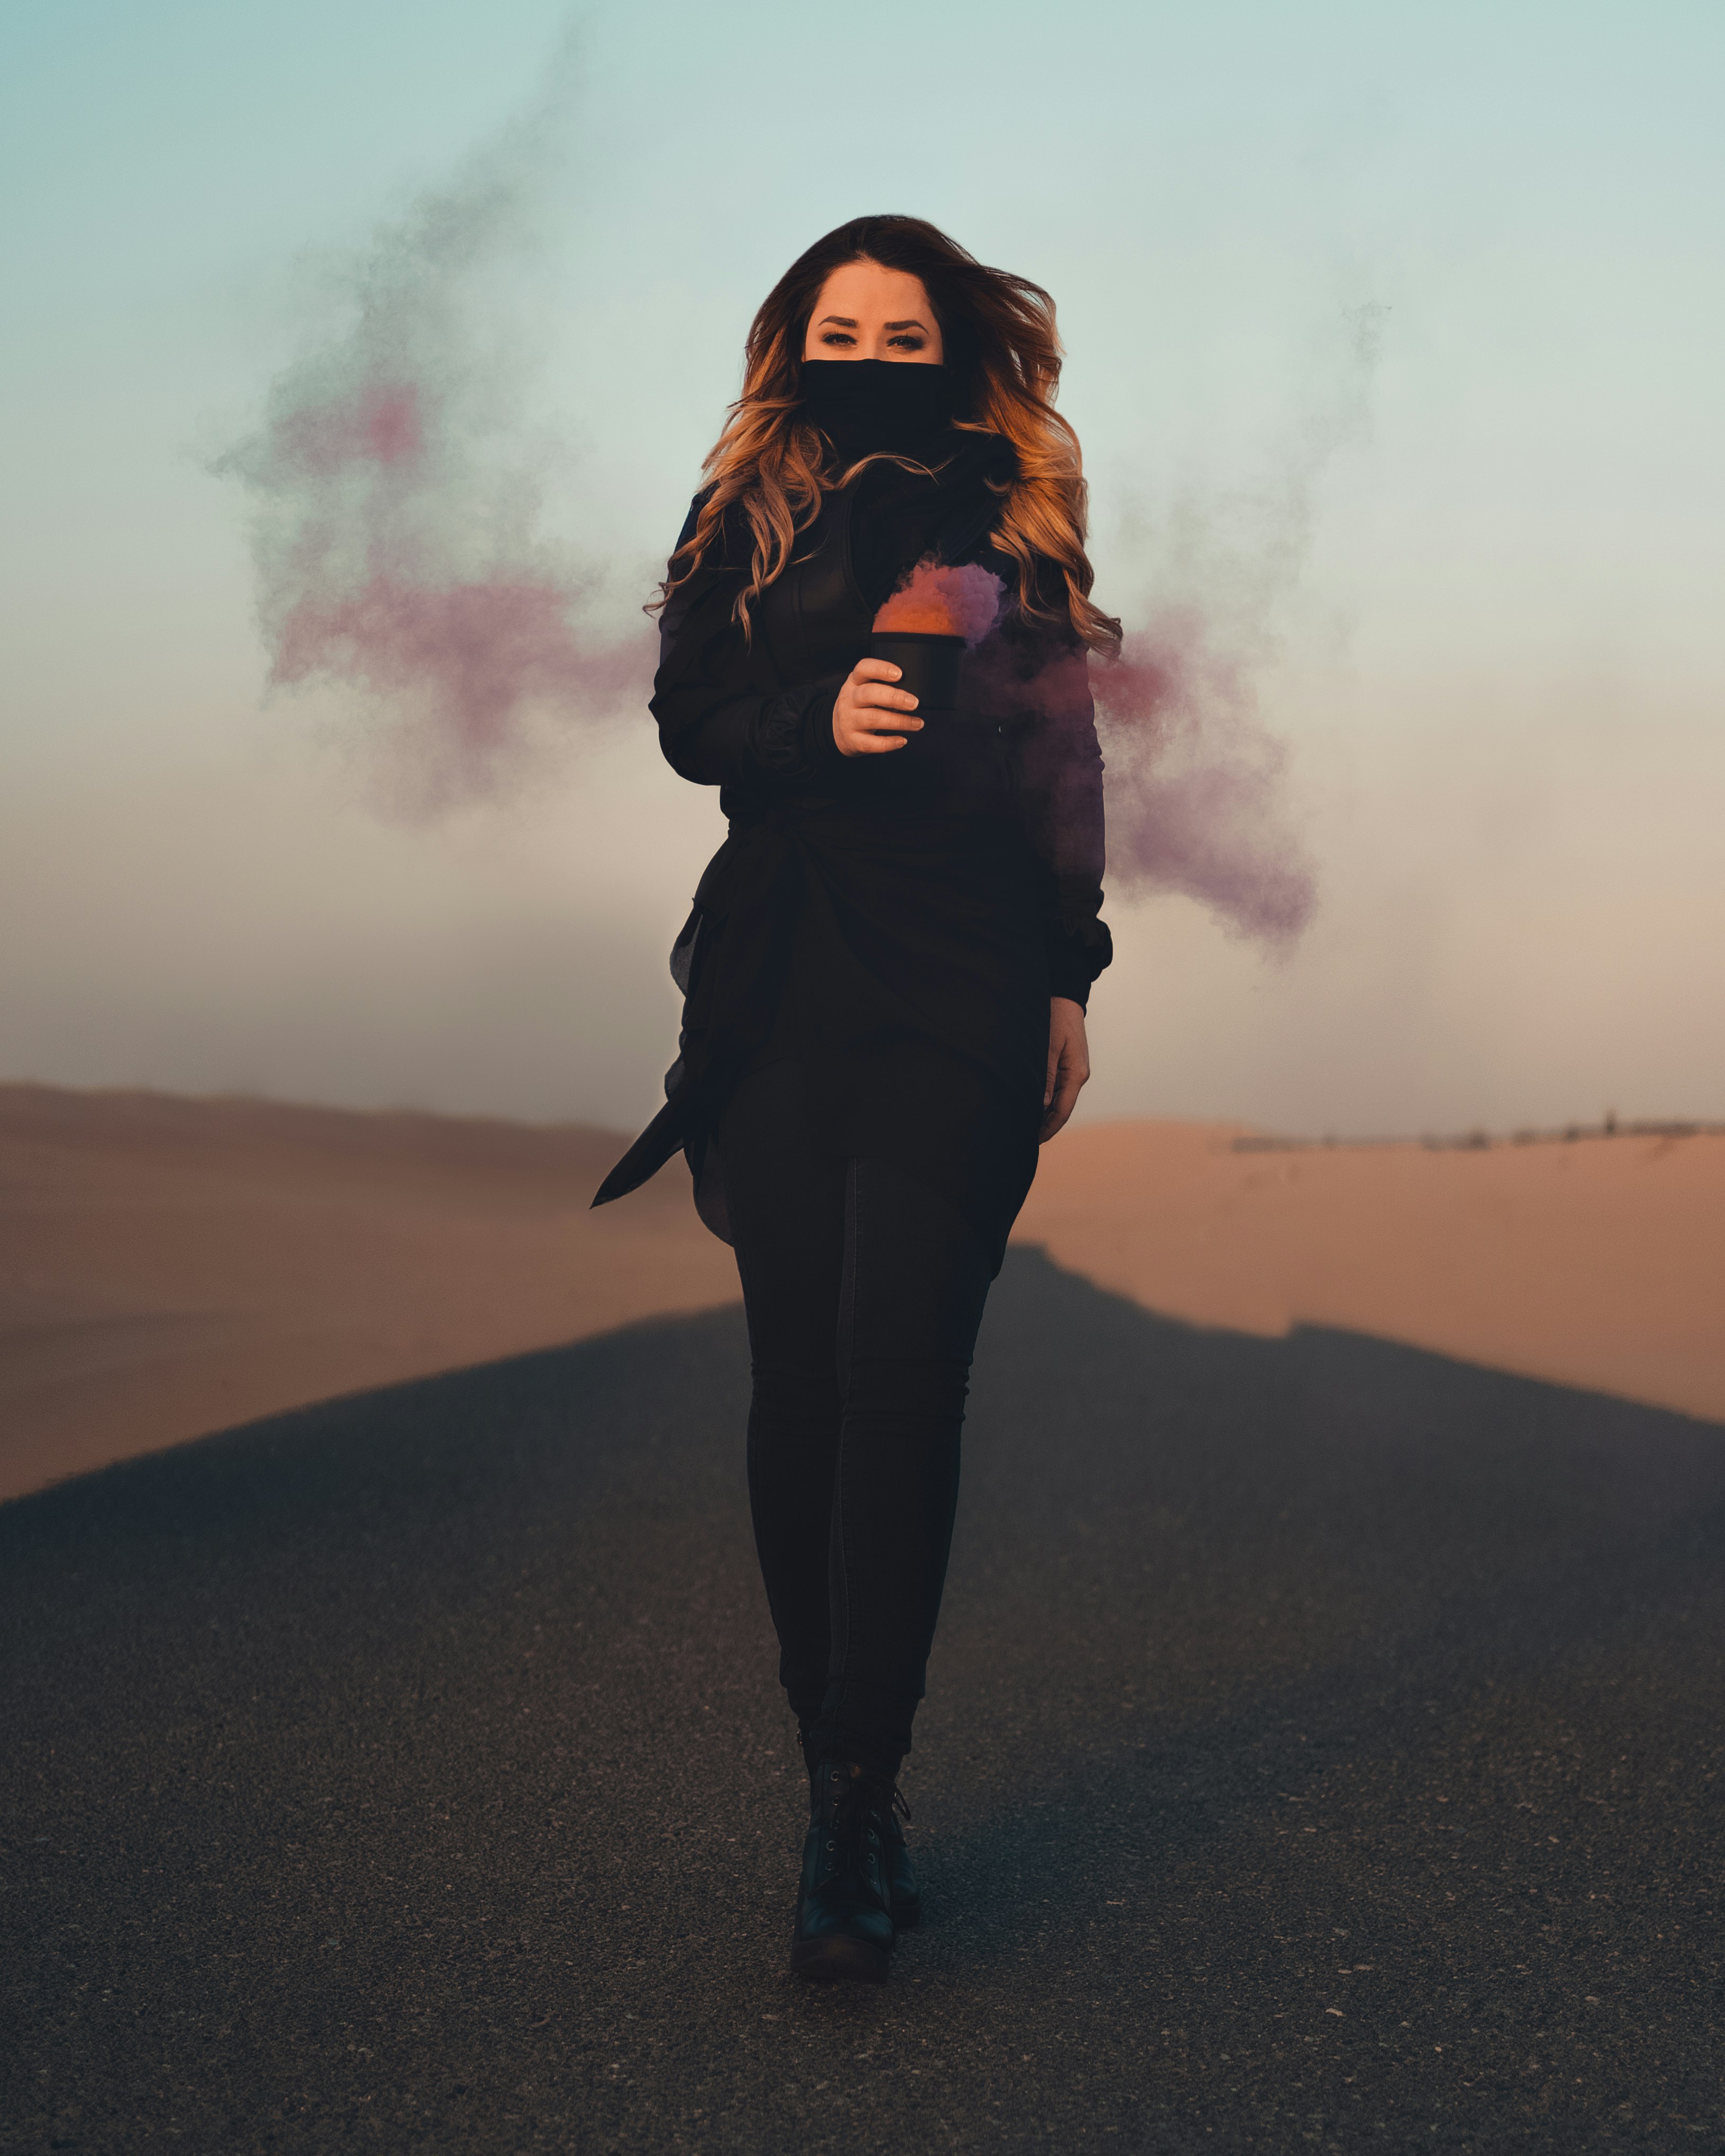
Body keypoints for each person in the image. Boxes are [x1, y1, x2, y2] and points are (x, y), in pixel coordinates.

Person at [593, 214, 1117, 1983]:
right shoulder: (748, 502)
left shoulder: (1014, 514)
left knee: (904, 1378)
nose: (874, 358)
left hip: (967, 969)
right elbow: (687, 717)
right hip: (790, 959)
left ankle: (857, 1795)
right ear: (793, 339)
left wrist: (1070, 966)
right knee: (803, 1387)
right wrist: (821, 722)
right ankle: (826, 1739)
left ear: (959, 347)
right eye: (846, 329)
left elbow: (1064, 755)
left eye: (907, 336)